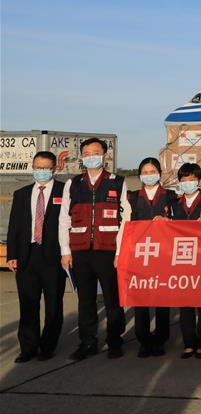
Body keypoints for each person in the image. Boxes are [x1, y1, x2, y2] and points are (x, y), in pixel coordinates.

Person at [59, 137, 130, 360]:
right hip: (80, 251)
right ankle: (87, 342)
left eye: (96, 152)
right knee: (86, 301)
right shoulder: (73, 183)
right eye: (87, 153)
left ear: (105, 155)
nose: (92, 157)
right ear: (82, 157)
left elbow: (126, 219)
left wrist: (120, 252)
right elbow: (64, 219)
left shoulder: (117, 182)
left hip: (107, 250)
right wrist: (65, 251)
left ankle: (114, 341)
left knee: (112, 299)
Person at [7, 151, 67, 362]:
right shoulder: (22, 194)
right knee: (28, 303)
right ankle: (28, 347)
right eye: (37, 167)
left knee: (53, 304)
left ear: (54, 169)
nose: (40, 172)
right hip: (27, 255)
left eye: (45, 168)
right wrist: (12, 255)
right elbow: (14, 226)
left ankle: (47, 346)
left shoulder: (64, 191)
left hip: (54, 256)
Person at [127, 157, 175, 357]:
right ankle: (144, 339)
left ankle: (161, 340)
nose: (149, 175)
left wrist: (168, 220)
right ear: (140, 175)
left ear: (159, 173)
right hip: (139, 254)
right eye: (145, 172)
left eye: (152, 171)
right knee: (140, 299)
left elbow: (180, 221)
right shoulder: (132, 197)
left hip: (163, 253)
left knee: (162, 299)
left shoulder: (171, 196)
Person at [170, 163, 201, 359]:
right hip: (182, 259)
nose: (187, 183)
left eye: (191, 179)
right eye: (184, 180)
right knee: (185, 303)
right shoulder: (174, 204)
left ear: (198, 180)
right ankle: (189, 343)